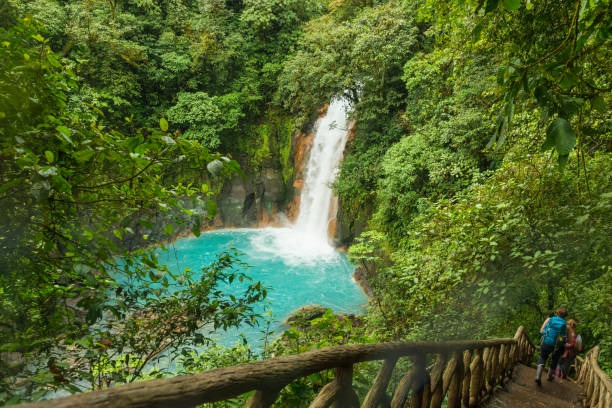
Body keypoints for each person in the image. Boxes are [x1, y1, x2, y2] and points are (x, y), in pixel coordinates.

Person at [535, 306, 568, 386]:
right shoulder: (564, 324)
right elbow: (563, 337)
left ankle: (538, 376)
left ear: (556, 312)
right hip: (556, 346)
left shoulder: (549, 319)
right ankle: (549, 376)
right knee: (555, 359)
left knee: (543, 357)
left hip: (546, 342)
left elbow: (541, 331)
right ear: (564, 315)